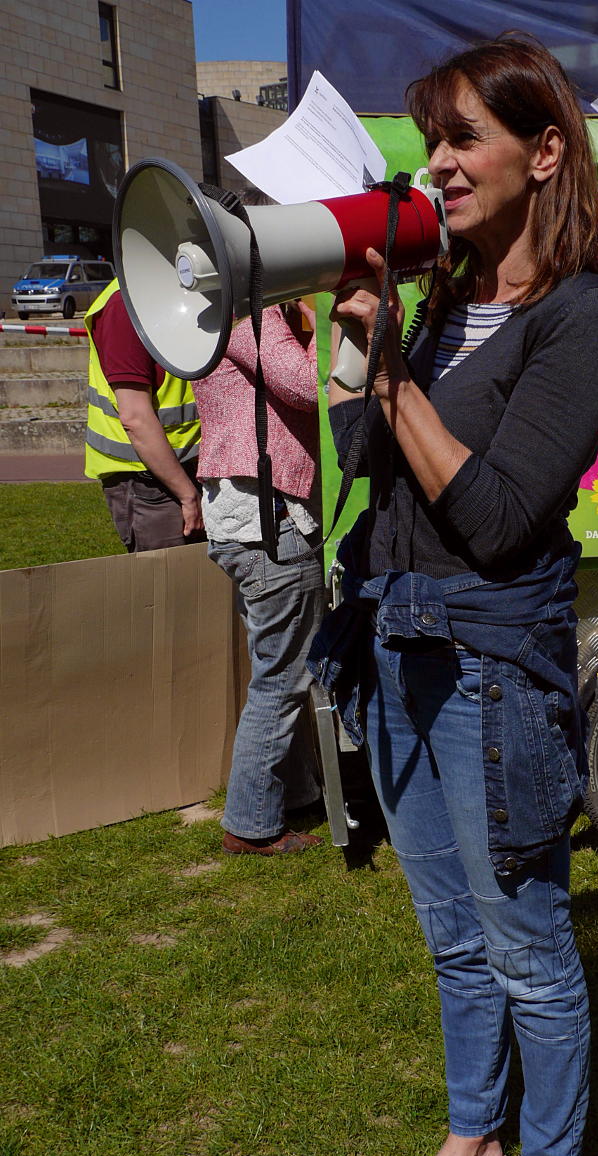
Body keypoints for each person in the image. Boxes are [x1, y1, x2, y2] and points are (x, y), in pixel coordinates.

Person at [310, 34, 598, 1156]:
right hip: (395, 641)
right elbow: (361, 456)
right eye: (427, 141)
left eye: (460, 139)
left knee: (527, 938)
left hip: (492, 663)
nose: (434, 165)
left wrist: (392, 380)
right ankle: (472, 1133)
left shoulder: (580, 319)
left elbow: (495, 520)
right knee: (450, 930)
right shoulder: (440, 299)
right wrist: (354, 348)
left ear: (541, 153)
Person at [193, 186, 325, 856]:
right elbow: (304, 386)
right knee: (282, 672)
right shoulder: (249, 308)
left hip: (239, 507)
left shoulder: (204, 305)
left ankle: (293, 793)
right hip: (269, 512)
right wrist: (313, 317)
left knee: (283, 662)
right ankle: (250, 822)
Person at [85, 279, 204, 552]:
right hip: (151, 483)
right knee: (168, 587)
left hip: (178, 475)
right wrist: (187, 495)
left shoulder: (163, 296)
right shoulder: (124, 307)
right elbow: (135, 418)